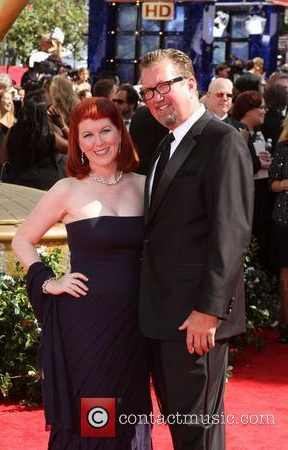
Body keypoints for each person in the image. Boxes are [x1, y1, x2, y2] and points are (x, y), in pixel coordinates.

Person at [11, 97, 151, 449]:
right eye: (87, 135)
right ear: (76, 142)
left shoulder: (145, 185)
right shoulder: (67, 189)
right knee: (97, 411)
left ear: (121, 132)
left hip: (137, 321)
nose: (99, 142)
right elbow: (22, 240)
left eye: (106, 130)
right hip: (87, 322)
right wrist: (48, 281)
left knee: (131, 408)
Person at [138, 48, 254, 450]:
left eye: (163, 86)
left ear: (191, 84)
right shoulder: (163, 146)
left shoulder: (222, 142)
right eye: (147, 90)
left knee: (197, 434)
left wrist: (208, 311)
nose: (155, 97)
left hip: (196, 323)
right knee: (185, 429)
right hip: (164, 315)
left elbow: (232, 233)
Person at [232, 91, 273, 271]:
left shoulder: (257, 133)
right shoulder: (238, 133)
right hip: (248, 194)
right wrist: (259, 163)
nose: (264, 111)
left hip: (261, 192)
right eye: (261, 108)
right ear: (249, 110)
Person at [0, 90, 61, 190]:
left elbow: (3, 159)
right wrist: (62, 125)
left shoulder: (13, 130)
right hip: (45, 186)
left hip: (16, 184)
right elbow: (71, 147)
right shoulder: (48, 132)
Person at [269, 117, 288, 343]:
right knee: (286, 276)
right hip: (284, 219)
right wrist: (286, 184)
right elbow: (272, 183)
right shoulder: (283, 147)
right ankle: (285, 323)